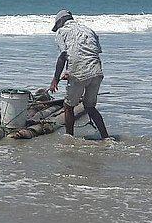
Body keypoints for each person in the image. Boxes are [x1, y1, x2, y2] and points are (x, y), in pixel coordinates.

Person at [48, 9, 111, 140]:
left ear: (60, 21)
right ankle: (106, 137)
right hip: (96, 71)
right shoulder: (88, 30)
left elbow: (63, 55)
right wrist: (68, 72)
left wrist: (55, 80)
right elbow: (88, 53)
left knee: (68, 106)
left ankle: (69, 138)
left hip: (79, 72)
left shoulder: (62, 31)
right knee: (90, 107)